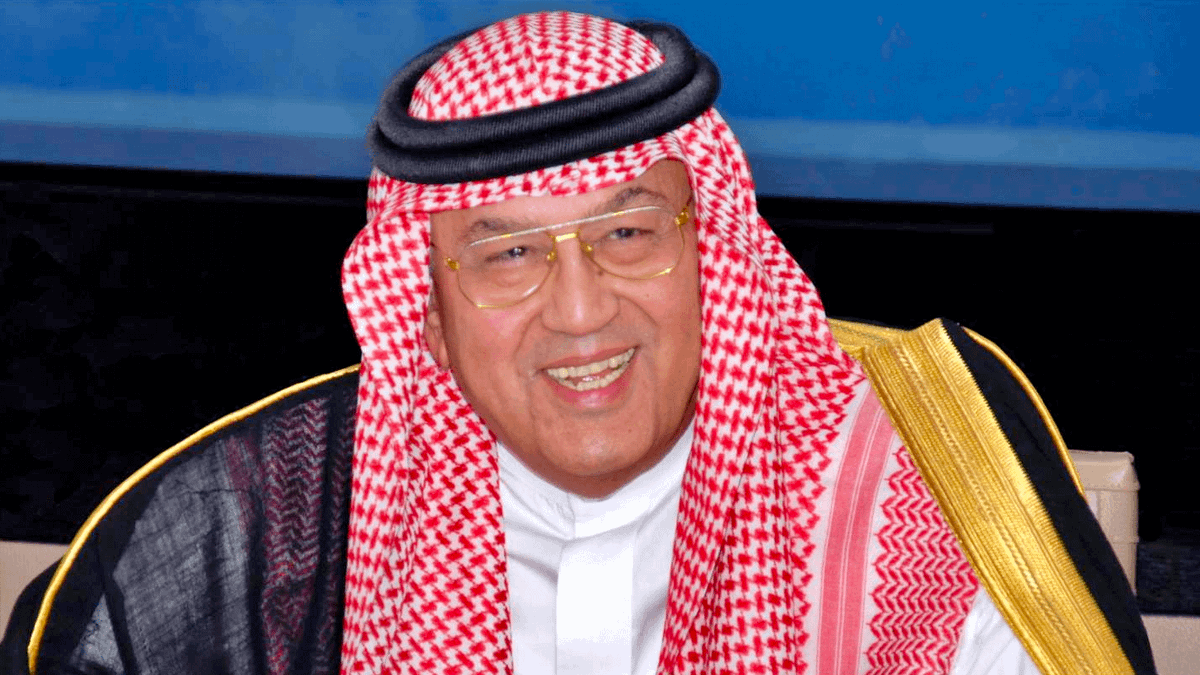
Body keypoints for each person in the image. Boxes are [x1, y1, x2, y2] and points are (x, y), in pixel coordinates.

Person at [2, 11, 1155, 675]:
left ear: (713, 250)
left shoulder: (926, 474)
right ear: (427, 306)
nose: (581, 310)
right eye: (507, 255)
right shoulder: (256, 530)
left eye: (628, 233)